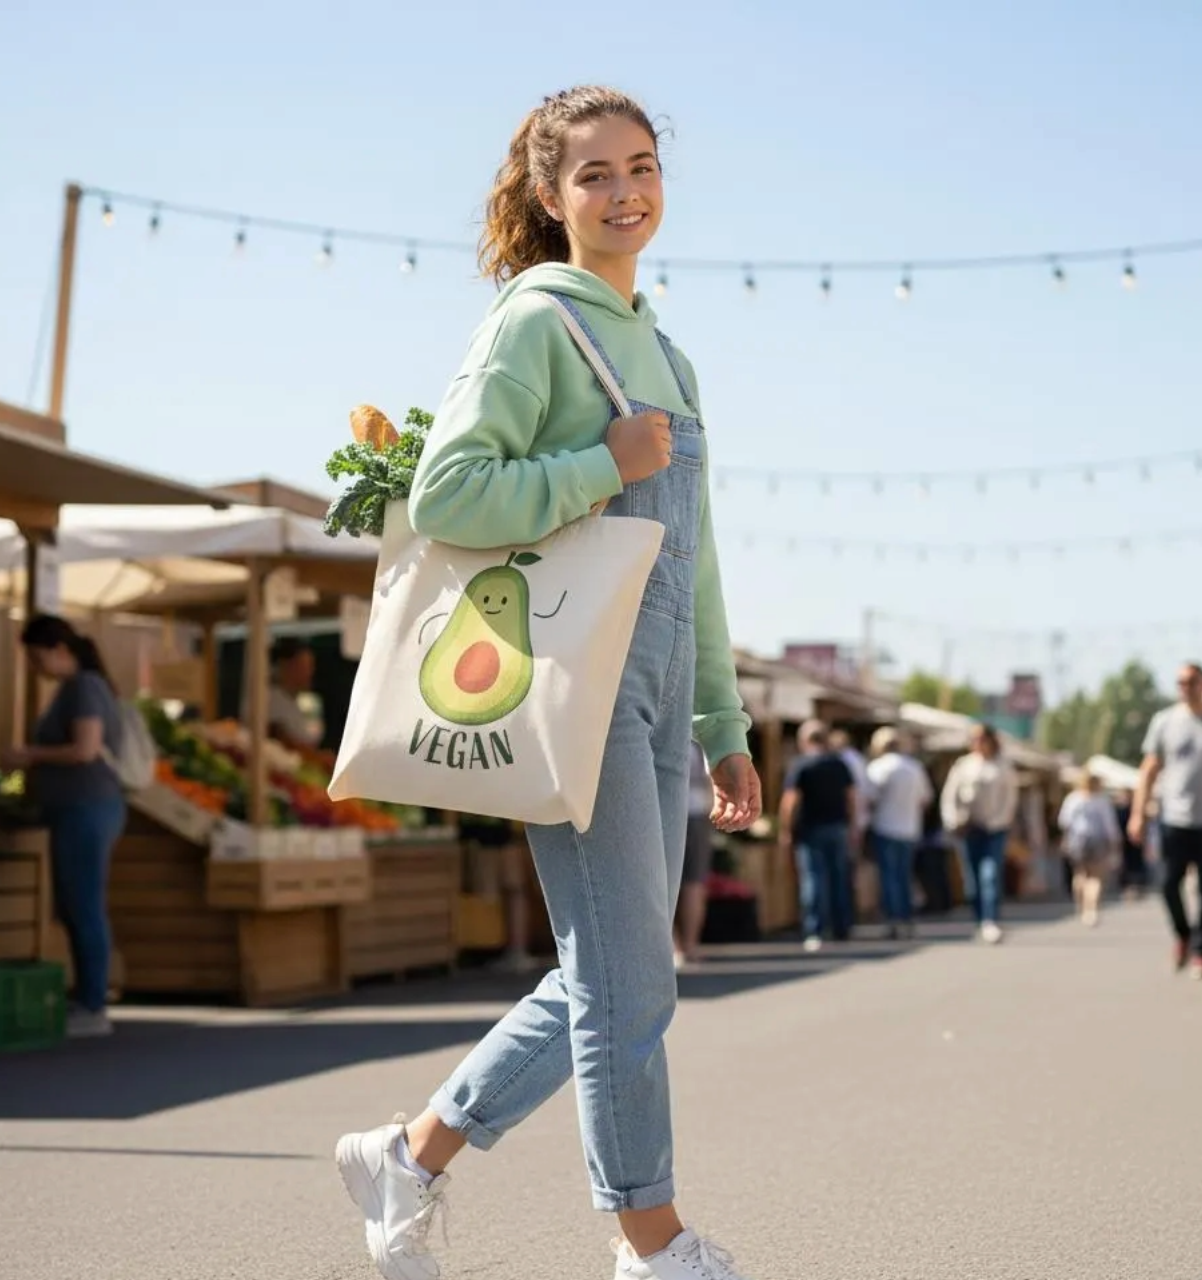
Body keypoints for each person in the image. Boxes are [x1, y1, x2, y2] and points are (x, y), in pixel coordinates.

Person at [333, 87, 762, 1280]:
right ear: (547, 194)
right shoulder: (535, 321)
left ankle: (405, 1157)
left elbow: (699, 555)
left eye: (641, 167)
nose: (624, 193)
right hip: (564, 686)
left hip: (653, 684)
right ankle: (651, 1243)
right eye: (592, 176)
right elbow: (448, 493)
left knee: (607, 970)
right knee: (630, 978)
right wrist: (596, 464)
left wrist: (719, 721)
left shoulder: (667, 352)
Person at [3, 614, 126, 1038]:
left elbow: (85, 749)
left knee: (84, 904)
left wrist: (31, 755)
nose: (36, 668)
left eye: (38, 658)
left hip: (85, 807)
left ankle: (93, 1004)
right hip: (77, 807)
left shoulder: (84, 688)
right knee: (77, 905)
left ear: (59, 650)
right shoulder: (82, 687)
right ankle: (88, 999)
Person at [1130, 662, 1202, 976]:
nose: (1185, 687)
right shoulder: (1166, 722)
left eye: (1191, 682)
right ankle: (1183, 935)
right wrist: (1137, 814)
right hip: (1175, 817)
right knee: (1169, 884)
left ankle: (1200, 949)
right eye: (1180, 683)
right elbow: (1148, 770)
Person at [780, 719, 857, 951]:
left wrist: (785, 830)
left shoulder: (801, 765)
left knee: (814, 880)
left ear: (804, 741)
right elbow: (852, 798)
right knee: (838, 878)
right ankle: (842, 927)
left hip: (811, 829)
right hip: (838, 827)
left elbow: (790, 801)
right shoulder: (840, 764)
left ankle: (815, 930)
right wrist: (852, 825)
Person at [940, 724, 1018, 945]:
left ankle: (990, 919)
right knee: (972, 879)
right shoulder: (964, 766)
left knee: (990, 874)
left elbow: (1009, 799)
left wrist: (998, 821)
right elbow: (950, 796)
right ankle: (979, 916)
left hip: (994, 828)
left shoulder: (1003, 766)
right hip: (968, 827)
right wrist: (953, 820)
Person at [865, 727, 932, 940]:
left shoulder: (877, 768)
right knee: (904, 876)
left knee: (889, 877)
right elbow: (925, 799)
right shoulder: (914, 768)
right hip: (909, 829)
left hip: (886, 827)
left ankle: (893, 919)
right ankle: (906, 918)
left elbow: (868, 799)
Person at [1057, 769, 1121, 927]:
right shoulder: (1101, 800)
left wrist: (1065, 840)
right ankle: (1091, 910)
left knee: (1079, 874)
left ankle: (1081, 905)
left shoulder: (1073, 799)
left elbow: (1064, 822)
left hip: (1076, 840)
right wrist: (1115, 844)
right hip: (1097, 840)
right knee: (1096, 877)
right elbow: (1110, 826)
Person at [673, 742, 715, 969]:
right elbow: (712, 777)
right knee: (695, 882)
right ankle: (690, 946)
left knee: (660, 883)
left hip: (662, 808)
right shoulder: (698, 738)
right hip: (697, 810)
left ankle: (675, 947)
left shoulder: (652, 724)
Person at [243, 637, 321, 750]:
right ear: (285, 666)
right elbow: (276, 738)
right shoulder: (266, 700)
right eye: (302, 667)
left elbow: (313, 741)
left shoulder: (312, 702)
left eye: (310, 667)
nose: (309, 673)